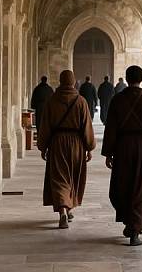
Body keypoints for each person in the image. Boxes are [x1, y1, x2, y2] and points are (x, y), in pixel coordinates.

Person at [102, 65, 142, 246]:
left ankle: (130, 223)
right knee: (141, 188)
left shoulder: (117, 100)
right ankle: (135, 229)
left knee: (123, 186)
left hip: (122, 148)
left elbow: (111, 128)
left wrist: (108, 152)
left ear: (127, 78)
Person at [37, 70, 95, 229]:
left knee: (59, 177)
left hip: (57, 143)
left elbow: (45, 125)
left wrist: (43, 146)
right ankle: (67, 208)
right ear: (73, 82)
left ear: (60, 81)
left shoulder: (51, 101)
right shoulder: (80, 101)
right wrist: (89, 147)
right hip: (76, 144)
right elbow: (86, 126)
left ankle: (63, 209)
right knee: (72, 177)